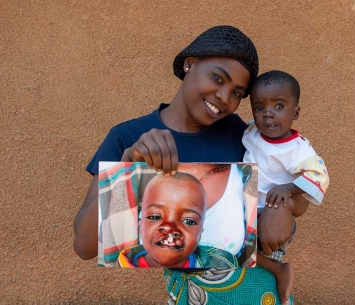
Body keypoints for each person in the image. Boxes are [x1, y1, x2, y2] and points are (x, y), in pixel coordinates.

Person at [74, 25, 306, 305]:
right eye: (218, 78)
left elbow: (299, 196)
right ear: (190, 63)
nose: (224, 96)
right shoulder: (129, 138)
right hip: (190, 296)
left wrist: (284, 208)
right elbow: (85, 246)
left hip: (260, 292)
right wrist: (126, 165)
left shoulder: (244, 135)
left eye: (236, 93)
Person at [242, 70, 330, 304]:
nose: (268, 115)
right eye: (259, 108)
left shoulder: (297, 149)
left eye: (279, 106)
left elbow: (318, 176)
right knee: (235, 245)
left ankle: (277, 274)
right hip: (250, 210)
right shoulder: (252, 132)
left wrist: (289, 189)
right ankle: (277, 270)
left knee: (250, 260)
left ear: (296, 112)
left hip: (271, 214)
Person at [118, 171, 239, 269]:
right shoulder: (120, 265)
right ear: (140, 227)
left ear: (200, 234)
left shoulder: (224, 264)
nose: (169, 227)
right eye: (155, 217)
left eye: (189, 221)